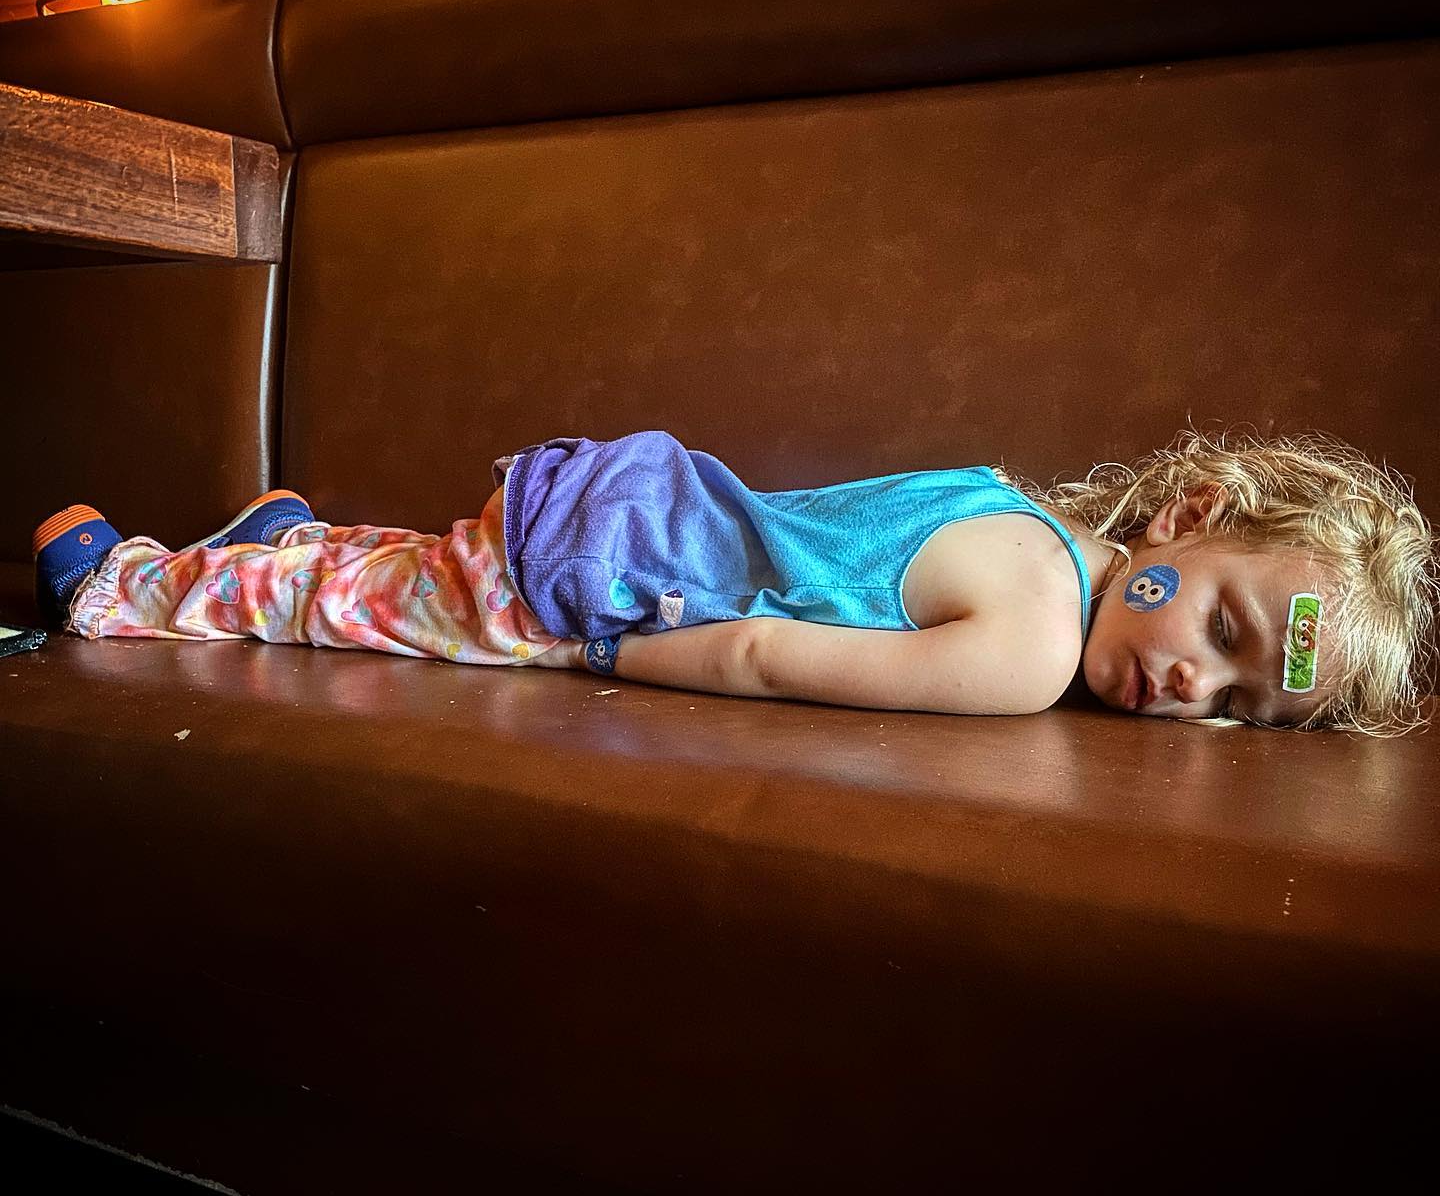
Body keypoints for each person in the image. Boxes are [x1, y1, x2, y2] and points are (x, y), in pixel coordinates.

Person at [31, 426, 1437, 736]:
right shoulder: (1025, 646)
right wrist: (597, 656)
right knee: (381, 623)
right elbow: (763, 655)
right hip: (621, 572)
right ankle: (130, 587)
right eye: (1225, 626)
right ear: (1190, 515)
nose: (1194, 679)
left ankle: (287, 537)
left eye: (1239, 702)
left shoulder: (1022, 514)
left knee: (424, 570)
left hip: (646, 497)